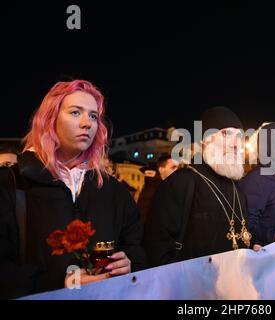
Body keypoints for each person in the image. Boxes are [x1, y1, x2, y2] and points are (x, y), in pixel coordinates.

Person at [0, 80, 146, 299]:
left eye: (94, 116)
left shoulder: (113, 190)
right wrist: (60, 282)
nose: (87, 123)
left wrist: (128, 262)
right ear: (50, 119)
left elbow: (137, 246)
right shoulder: (11, 183)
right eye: (76, 112)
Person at [144, 106, 253, 268]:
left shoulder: (238, 189)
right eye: (226, 134)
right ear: (205, 139)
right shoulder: (181, 182)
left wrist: (258, 245)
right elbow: (156, 251)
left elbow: (242, 236)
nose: (236, 144)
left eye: (239, 136)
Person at [137, 154, 179, 223]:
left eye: (177, 168)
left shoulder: (164, 186)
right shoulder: (153, 187)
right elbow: (144, 212)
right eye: (173, 167)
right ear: (161, 170)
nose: (176, 170)